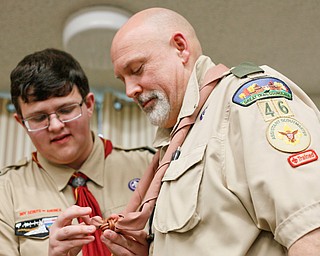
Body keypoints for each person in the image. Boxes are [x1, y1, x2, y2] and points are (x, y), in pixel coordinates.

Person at [48, 7, 320, 256]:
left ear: (180, 48)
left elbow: (311, 232)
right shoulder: (179, 142)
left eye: (137, 69)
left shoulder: (246, 102)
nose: (130, 90)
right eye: (124, 79)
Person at [0, 48, 153, 256]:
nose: (55, 126)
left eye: (65, 110)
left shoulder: (149, 167)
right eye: (38, 118)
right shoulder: (5, 192)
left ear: (89, 105)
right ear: (21, 123)